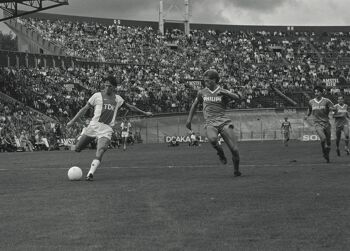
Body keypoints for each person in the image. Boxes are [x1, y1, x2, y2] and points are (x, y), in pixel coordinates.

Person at [67, 75, 153, 181]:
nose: (107, 87)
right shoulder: (96, 96)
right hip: (93, 126)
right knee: (77, 148)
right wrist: (72, 121)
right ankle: (82, 135)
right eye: (106, 85)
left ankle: (90, 174)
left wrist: (144, 113)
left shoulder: (118, 99)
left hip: (106, 129)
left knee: (101, 149)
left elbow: (130, 107)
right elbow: (84, 109)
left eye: (109, 86)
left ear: (114, 87)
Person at [186, 69, 243, 177]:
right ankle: (220, 153)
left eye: (207, 80)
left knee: (234, 150)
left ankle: (236, 170)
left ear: (214, 80)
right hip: (210, 122)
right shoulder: (201, 92)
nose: (205, 82)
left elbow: (238, 98)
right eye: (204, 80)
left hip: (224, 122)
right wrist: (189, 120)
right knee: (212, 139)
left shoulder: (222, 91)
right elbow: (194, 105)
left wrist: (227, 93)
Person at [304, 86, 334, 163]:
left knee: (329, 143)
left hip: (326, 123)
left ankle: (326, 155)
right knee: (323, 138)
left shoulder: (326, 101)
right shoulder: (311, 102)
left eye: (318, 92)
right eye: (315, 92)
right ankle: (324, 152)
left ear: (321, 92)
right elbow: (309, 110)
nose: (316, 93)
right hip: (317, 124)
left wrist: (332, 110)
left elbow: (333, 107)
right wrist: (307, 115)